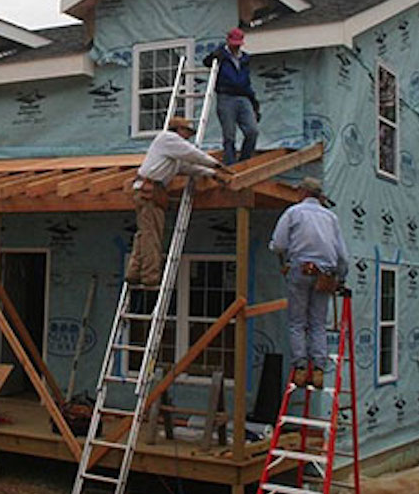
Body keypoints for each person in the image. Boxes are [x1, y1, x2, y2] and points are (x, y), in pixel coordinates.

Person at [126, 117, 231, 287]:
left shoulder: (172, 151)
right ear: (178, 129)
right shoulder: (168, 138)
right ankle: (150, 276)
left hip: (152, 191)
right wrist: (216, 165)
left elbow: (186, 167)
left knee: (145, 233)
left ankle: (134, 271)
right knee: (151, 234)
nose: (188, 137)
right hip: (148, 191)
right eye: (187, 132)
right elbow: (192, 154)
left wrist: (211, 173)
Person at [269, 178, 349, 388]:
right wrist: (340, 278)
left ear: (303, 193)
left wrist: (280, 252)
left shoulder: (294, 212)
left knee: (297, 322)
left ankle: (301, 369)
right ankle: (319, 371)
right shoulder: (331, 217)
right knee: (318, 323)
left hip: (301, 269)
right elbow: (342, 256)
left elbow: (278, 244)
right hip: (325, 273)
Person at [203, 27, 260, 165]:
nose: (236, 47)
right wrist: (215, 55)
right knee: (229, 135)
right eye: (233, 44)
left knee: (252, 131)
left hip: (244, 96)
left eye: (238, 44)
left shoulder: (244, 58)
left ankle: (245, 161)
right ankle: (231, 163)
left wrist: (254, 103)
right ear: (228, 41)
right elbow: (207, 62)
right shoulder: (221, 56)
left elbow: (247, 82)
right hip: (226, 96)